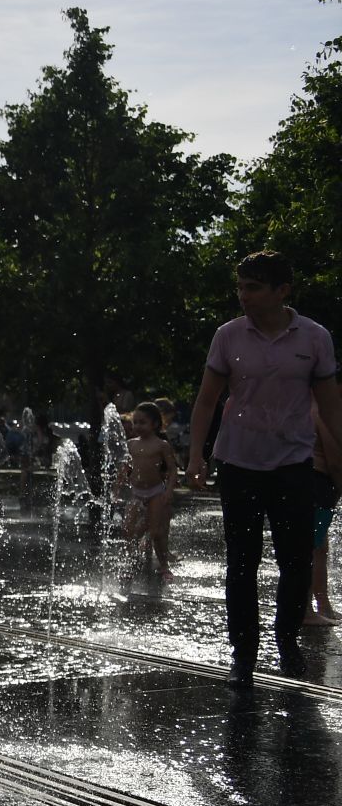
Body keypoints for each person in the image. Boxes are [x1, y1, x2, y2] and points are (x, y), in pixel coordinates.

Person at [186, 250, 342, 685]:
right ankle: (244, 652)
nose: (243, 296)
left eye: (253, 287)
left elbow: (330, 404)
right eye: (240, 287)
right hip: (238, 461)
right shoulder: (228, 336)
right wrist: (196, 455)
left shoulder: (314, 338)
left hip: (295, 463)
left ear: (282, 291)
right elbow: (206, 400)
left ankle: (287, 640)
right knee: (242, 561)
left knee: (295, 560)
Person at [119, 401, 178, 581]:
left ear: (155, 424)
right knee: (128, 530)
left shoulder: (161, 445)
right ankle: (129, 564)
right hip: (137, 492)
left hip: (155, 492)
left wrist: (168, 490)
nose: (137, 426)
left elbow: (172, 470)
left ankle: (164, 566)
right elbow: (126, 468)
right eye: (135, 422)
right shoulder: (130, 444)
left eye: (142, 422)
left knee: (156, 532)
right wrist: (117, 485)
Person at [304, 404, 341, 628]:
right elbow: (335, 459)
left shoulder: (307, 405)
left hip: (310, 481)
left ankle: (321, 604)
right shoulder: (323, 409)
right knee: (312, 548)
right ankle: (306, 610)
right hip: (319, 481)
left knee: (318, 547)